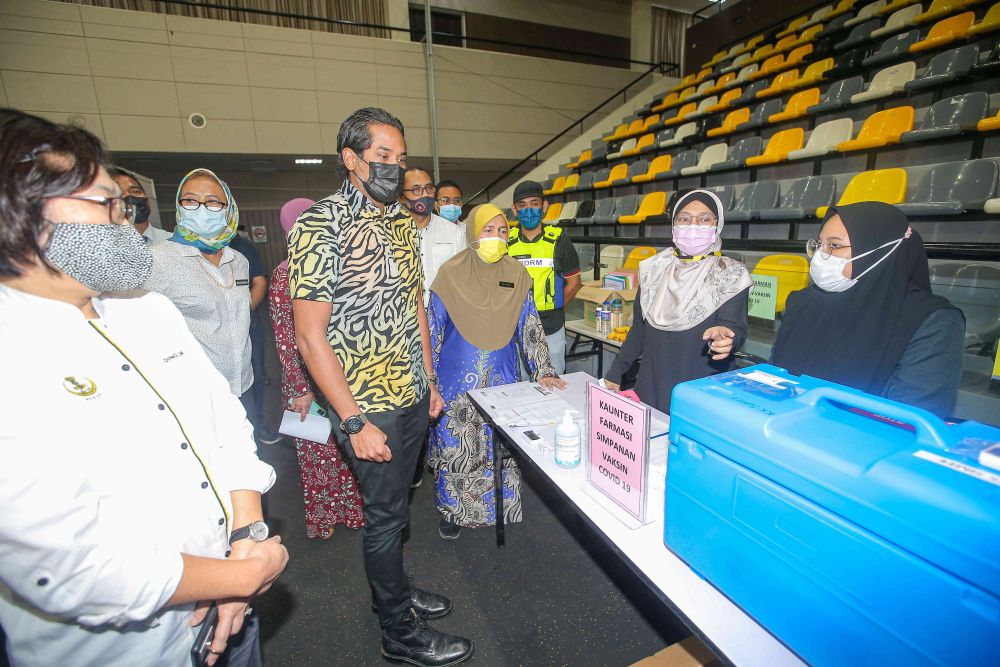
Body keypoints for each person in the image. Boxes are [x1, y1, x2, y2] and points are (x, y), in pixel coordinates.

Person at [0, 110, 287, 667]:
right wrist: (239, 573)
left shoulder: (146, 311)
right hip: (126, 650)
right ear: (20, 210)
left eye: (123, 206)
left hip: (230, 614)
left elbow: (224, 418)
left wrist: (248, 531)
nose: (125, 218)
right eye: (104, 204)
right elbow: (68, 567)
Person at [287, 107, 473, 666]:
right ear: (351, 159)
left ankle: (394, 587)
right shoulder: (319, 227)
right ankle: (397, 631)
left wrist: (431, 379)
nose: (396, 168)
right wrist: (352, 422)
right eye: (383, 158)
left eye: (401, 157)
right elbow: (309, 335)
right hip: (366, 404)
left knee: (397, 507)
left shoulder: (396, 220)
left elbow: (414, 304)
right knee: (384, 516)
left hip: (413, 394)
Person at [428, 204, 566, 540]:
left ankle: (500, 507)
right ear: (473, 234)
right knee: (457, 445)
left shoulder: (517, 273)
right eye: (488, 231)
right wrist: (427, 381)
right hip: (454, 382)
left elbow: (530, 327)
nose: (496, 238)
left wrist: (543, 370)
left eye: (502, 231)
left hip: (503, 378)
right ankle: (453, 512)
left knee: (497, 446)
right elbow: (431, 329)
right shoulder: (449, 273)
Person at [771, 202, 965, 418]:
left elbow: (911, 419)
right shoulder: (802, 302)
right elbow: (773, 380)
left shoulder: (932, 321)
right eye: (819, 245)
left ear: (879, 250)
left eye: (834, 246)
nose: (820, 256)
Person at [605, 189, 752, 413]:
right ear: (674, 224)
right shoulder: (653, 269)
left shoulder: (730, 274)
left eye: (704, 219)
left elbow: (735, 328)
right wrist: (616, 372)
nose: (693, 226)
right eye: (684, 218)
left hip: (700, 388)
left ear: (718, 225)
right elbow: (639, 330)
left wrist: (727, 338)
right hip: (652, 384)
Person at [270, 197, 365, 538]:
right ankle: (324, 519)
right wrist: (299, 387)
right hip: (306, 382)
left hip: (338, 375)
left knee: (346, 450)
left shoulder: (335, 266)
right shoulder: (285, 274)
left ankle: (353, 512)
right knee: (317, 456)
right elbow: (285, 337)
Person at [143, 169, 255, 420]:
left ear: (228, 209)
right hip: (192, 394)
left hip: (243, 385)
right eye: (191, 201)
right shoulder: (158, 262)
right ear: (179, 206)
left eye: (213, 202)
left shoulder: (238, 261)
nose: (202, 209)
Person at [508, 179, 582, 374]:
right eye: (522, 205)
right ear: (514, 210)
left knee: (553, 386)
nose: (528, 210)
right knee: (518, 389)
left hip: (552, 328)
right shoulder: (506, 241)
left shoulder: (559, 239)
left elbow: (574, 283)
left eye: (534, 203)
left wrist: (555, 308)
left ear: (544, 206)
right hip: (514, 329)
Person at [229, 229, 281, 445]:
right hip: (212, 332)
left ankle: (258, 427)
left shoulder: (243, 247)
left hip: (249, 325)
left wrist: (245, 311)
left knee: (256, 376)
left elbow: (259, 281)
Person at [400, 168, 466, 305]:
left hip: (446, 316)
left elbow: (465, 281)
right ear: (401, 197)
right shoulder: (391, 233)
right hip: (403, 318)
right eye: (417, 190)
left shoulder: (455, 233)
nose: (425, 195)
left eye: (429, 188)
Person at [109, 166, 171, 245]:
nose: (129, 197)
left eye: (135, 191)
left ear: (148, 201)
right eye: (118, 192)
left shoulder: (175, 243)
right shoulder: (99, 248)